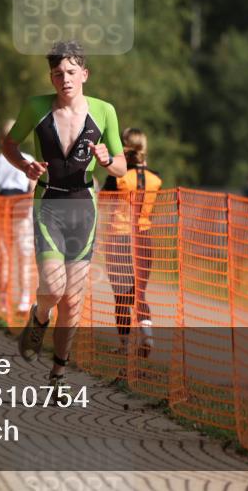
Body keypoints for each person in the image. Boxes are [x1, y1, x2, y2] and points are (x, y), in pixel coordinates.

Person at [3, 41, 126, 386]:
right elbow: (9, 145)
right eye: (58, 73)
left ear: (84, 74)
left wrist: (107, 161)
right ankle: (40, 317)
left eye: (71, 72)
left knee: (73, 300)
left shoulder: (104, 112)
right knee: (53, 289)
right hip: (49, 203)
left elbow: (121, 166)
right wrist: (25, 165)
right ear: (51, 77)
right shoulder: (36, 107)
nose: (65, 79)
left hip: (84, 207)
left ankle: (57, 372)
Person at [102, 128, 162, 355]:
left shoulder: (117, 178)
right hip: (144, 238)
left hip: (119, 238)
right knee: (140, 293)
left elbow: (103, 202)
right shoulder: (156, 179)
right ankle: (147, 336)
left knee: (120, 295)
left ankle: (124, 346)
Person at [0, 119, 37, 314]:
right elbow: (32, 188)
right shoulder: (28, 158)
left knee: (4, 255)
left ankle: (3, 300)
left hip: (3, 206)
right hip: (22, 207)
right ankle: (24, 298)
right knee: (23, 256)